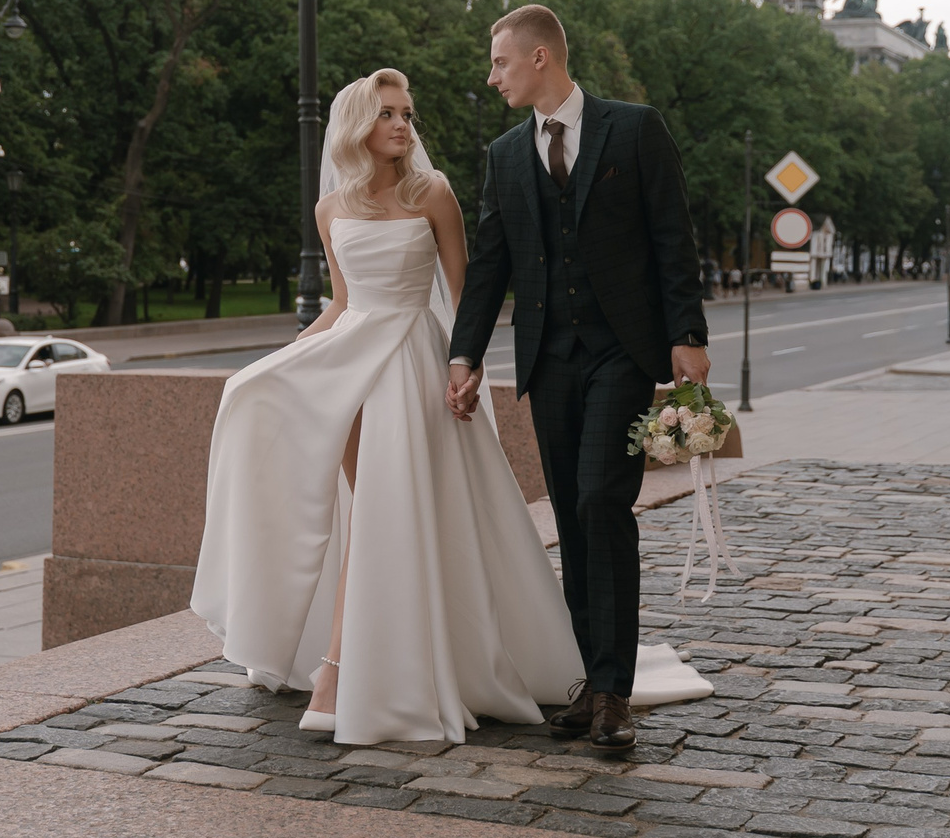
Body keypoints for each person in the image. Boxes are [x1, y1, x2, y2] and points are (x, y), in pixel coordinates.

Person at [194, 64, 710, 749]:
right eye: (387, 114)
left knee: (397, 510)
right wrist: (279, 361)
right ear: (356, 124)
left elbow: (471, 290)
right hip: (353, 359)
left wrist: (463, 364)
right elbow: (343, 306)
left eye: (407, 114)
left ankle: (344, 672)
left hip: (414, 363)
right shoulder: (329, 210)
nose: (403, 125)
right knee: (364, 515)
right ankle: (347, 665)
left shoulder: (433, 193)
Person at [448, 3, 711, 750]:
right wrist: (465, 356)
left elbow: (672, 235)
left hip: (622, 353)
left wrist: (686, 334)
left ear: (540, 59)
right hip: (548, 361)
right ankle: (591, 684)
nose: (491, 75)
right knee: (571, 514)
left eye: (500, 62)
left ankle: (614, 693)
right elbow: (490, 267)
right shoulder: (504, 154)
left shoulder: (634, 128)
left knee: (603, 500)